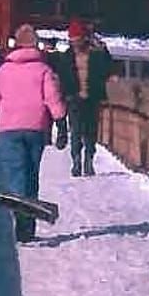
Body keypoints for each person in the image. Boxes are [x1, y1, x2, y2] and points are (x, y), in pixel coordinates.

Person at [0, 24, 66, 243]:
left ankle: (20, 217)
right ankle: (29, 224)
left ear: (16, 45)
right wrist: (60, 122)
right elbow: (53, 99)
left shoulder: (3, 71)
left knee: (15, 175)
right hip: (36, 128)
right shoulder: (43, 70)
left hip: (8, 129)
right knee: (31, 174)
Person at [60, 19, 113, 177]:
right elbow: (63, 76)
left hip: (92, 97)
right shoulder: (67, 56)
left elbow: (109, 67)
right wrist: (66, 95)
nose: (75, 43)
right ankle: (76, 161)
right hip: (74, 98)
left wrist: (103, 48)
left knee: (91, 131)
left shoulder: (96, 53)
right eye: (73, 40)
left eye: (78, 39)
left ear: (84, 38)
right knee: (76, 131)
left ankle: (88, 160)